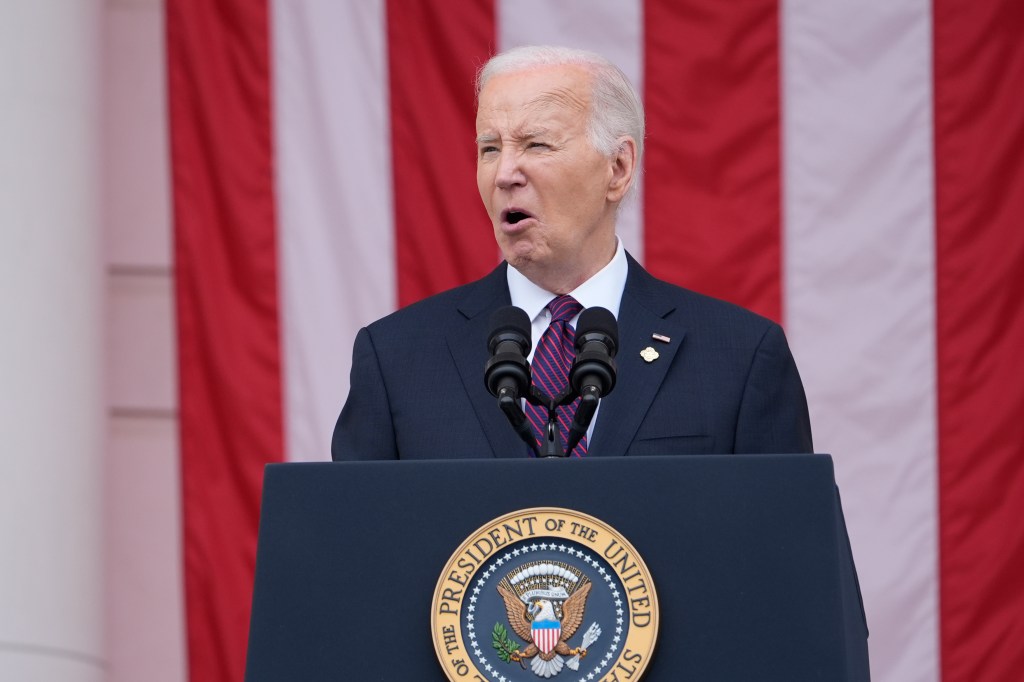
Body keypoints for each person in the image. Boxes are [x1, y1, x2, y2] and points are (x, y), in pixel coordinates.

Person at [331, 45, 812, 461]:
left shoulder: (739, 357)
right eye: (490, 149)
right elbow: (349, 556)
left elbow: (793, 555)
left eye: (536, 144)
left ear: (618, 168)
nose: (505, 174)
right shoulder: (396, 359)